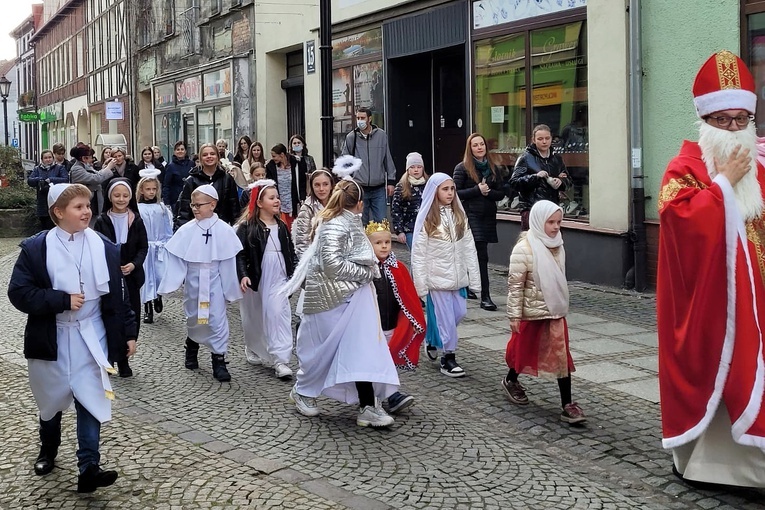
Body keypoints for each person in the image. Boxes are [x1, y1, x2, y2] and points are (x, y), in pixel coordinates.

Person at [657, 50, 765, 488]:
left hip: (757, 303)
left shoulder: (759, 167)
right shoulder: (684, 168)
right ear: (705, 121)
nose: (735, 128)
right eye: (724, 120)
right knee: (723, 373)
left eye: (742, 119)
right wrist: (723, 183)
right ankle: (710, 466)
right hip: (711, 308)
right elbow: (678, 223)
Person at [7, 183, 137, 493]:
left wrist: (128, 332)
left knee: (90, 398)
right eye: (79, 206)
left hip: (92, 335)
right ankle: (47, 450)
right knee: (50, 400)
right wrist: (60, 300)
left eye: (88, 205)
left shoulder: (104, 246)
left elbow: (120, 296)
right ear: (59, 212)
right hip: (51, 336)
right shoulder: (37, 248)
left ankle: (88, 466)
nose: (87, 211)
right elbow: (18, 293)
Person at [282, 159, 400, 427]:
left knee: (363, 349)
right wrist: (366, 274)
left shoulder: (349, 221)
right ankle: (303, 391)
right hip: (331, 301)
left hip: (353, 300)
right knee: (323, 351)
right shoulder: (335, 225)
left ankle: (368, 403)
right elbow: (331, 264)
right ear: (358, 202)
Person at [503, 200, 584, 424]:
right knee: (524, 352)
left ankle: (567, 404)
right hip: (532, 312)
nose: (556, 227)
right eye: (551, 222)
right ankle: (511, 379)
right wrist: (514, 315)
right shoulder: (524, 249)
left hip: (555, 310)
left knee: (561, 354)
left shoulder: (558, 244)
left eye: (559, 221)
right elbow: (515, 286)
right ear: (538, 221)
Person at [158, 185, 243, 382]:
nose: (195, 208)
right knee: (194, 317)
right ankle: (192, 345)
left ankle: (219, 359)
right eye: (192, 205)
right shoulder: (187, 230)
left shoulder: (224, 230)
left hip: (214, 283)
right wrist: (171, 282)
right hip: (194, 282)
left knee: (217, 319)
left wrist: (230, 290)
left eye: (199, 205)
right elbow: (178, 259)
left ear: (212, 205)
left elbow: (228, 262)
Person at [411, 173, 480, 378]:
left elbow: (469, 247)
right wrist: (421, 284)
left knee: (459, 313)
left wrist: (474, 279)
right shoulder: (427, 218)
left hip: (457, 278)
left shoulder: (459, 215)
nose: (449, 193)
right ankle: (448, 358)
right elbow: (419, 252)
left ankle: (433, 339)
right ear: (435, 191)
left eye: (452, 189)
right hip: (437, 278)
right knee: (446, 319)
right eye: (445, 189)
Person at [236, 179, 297, 379]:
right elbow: (241, 255)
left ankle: (281, 359)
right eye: (272, 198)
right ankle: (253, 345)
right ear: (260, 203)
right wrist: (243, 275)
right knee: (254, 316)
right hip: (257, 276)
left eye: (277, 197)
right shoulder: (247, 228)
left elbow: (291, 253)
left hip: (278, 277)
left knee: (278, 313)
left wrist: (295, 275)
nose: (277, 201)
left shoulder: (282, 226)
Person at [367, 218, 424, 414]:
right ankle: (390, 396)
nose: (384, 246)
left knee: (387, 360)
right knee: (377, 360)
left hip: (391, 324)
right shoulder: (365, 269)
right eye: (378, 243)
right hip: (371, 326)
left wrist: (413, 320)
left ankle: (385, 396)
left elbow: (407, 297)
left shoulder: (398, 268)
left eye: (387, 242)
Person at [93, 179, 148, 378]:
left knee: (131, 314)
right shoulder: (101, 221)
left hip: (131, 275)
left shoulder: (137, 220)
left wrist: (134, 264)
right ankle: (109, 358)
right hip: (109, 274)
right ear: (110, 197)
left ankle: (125, 358)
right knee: (109, 314)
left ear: (131, 197)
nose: (121, 199)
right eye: (117, 195)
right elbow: (97, 247)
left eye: (125, 195)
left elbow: (144, 247)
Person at [453, 133, 506, 311]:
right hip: (470, 215)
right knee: (481, 254)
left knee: (476, 253)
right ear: (470, 148)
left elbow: (501, 192)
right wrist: (477, 190)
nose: (479, 148)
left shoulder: (493, 168)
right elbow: (455, 193)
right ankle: (486, 296)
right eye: (475, 145)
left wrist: (488, 192)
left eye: (481, 144)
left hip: (488, 216)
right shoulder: (462, 168)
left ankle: (469, 286)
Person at [341, 107, 397, 224]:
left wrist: (391, 181)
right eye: (358, 118)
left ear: (369, 119)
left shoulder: (381, 135)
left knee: (381, 221)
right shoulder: (352, 137)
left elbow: (387, 158)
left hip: (378, 188)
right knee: (361, 222)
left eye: (363, 118)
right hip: (360, 188)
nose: (360, 120)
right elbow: (345, 161)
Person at [510, 125, 569, 230]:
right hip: (531, 209)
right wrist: (535, 177)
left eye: (547, 138)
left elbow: (568, 181)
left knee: (552, 243)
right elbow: (514, 182)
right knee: (532, 244)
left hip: (552, 210)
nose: (544, 142)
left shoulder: (557, 158)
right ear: (533, 140)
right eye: (540, 139)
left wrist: (561, 181)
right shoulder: (525, 158)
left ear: (551, 138)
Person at [135, 169, 173, 324]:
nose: (151, 192)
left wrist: (168, 244)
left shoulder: (162, 208)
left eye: (153, 189)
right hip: (145, 248)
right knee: (145, 278)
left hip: (159, 247)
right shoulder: (137, 209)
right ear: (141, 190)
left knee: (158, 275)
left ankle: (158, 296)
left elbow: (167, 228)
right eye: (148, 189)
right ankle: (147, 307)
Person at [175, 143, 241, 228]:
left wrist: (237, 230)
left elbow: (234, 208)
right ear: (200, 158)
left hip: (221, 227)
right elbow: (184, 211)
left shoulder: (227, 179)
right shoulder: (191, 181)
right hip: (197, 228)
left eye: (212, 154)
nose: (209, 156)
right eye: (205, 155)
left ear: (217, 156)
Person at [292, 168, 335, 259]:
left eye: (325, 184)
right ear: (312, 186)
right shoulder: (307, 208)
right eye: (317, 185)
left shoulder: (338, 205)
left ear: (331, 185)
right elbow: (302, 243)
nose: (321, 189)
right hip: (316, 260)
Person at [265, 143, 308, 232]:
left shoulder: (296, 163)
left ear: (282, 155)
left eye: (274, 156)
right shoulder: (270, 166)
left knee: (294, 229)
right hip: (279, 202)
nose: (273, 158)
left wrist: (303, 197)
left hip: (294, 202)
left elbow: (302, 182)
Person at [67, 144, 115, 222]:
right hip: (87, 201)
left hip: (94, 201)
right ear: (83, 158)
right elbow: (96, 178)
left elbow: (97, 174)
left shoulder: (85, 166)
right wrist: (109, 168)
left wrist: (105, 167)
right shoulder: (77, 169)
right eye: (90, 156)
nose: (92, 159)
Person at [391, 152, 428, 249]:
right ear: (408, 169)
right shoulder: (401, 186)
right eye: (412, 167)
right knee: (416, 253)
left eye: (419, 167)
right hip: (409, 229)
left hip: (426, 228)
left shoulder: (428, 184)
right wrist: (399, 231)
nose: (416, 170)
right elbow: (396, 210)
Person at [27, 150, 69, 230]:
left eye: (49, 157)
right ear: (42, 159)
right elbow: (30, 181)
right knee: (44, 226)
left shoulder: (59, 168)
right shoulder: (37, 169)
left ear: (53, 158)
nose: (48, 159)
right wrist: (40, 179)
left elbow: (65, 179)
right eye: (45, 158)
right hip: (42, 201)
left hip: (56, 200)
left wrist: (51, 180)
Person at [101, 148, 139, 213]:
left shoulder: (133, 167)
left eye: (119, 156)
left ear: (124, 156)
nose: (118, 158)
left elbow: (137, 181)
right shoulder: (109, 168)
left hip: (131, 196)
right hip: (115, 197)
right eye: (115, 157)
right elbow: (104, 184)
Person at [163, 141, 195, 216]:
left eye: (182, 149)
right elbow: (166, 185)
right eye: (178, 149)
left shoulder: (191, 164)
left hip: (190, 199)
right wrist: (167, 203)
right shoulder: (170, 166)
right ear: (174, 151)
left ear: (185, 151)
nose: (180, 151)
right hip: (175, 200)